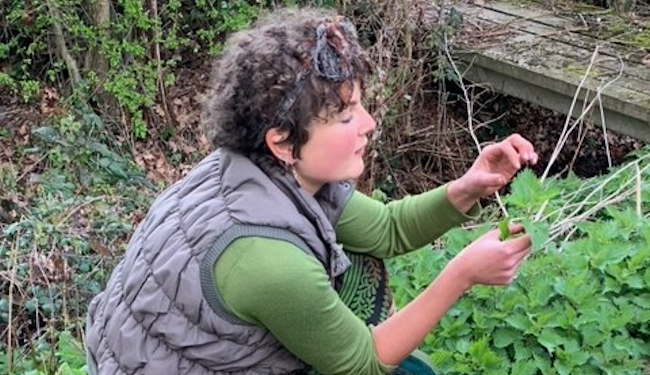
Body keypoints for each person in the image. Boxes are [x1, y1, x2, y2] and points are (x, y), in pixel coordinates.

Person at [85, 8, 537, 375]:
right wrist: (460, 274)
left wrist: (469, 188)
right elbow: (364, 362)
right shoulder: (267, 260)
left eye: (359, 105)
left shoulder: (263, 167)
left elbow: (385, 229)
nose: (369, 125)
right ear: (281, 140)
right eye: (345, 117)